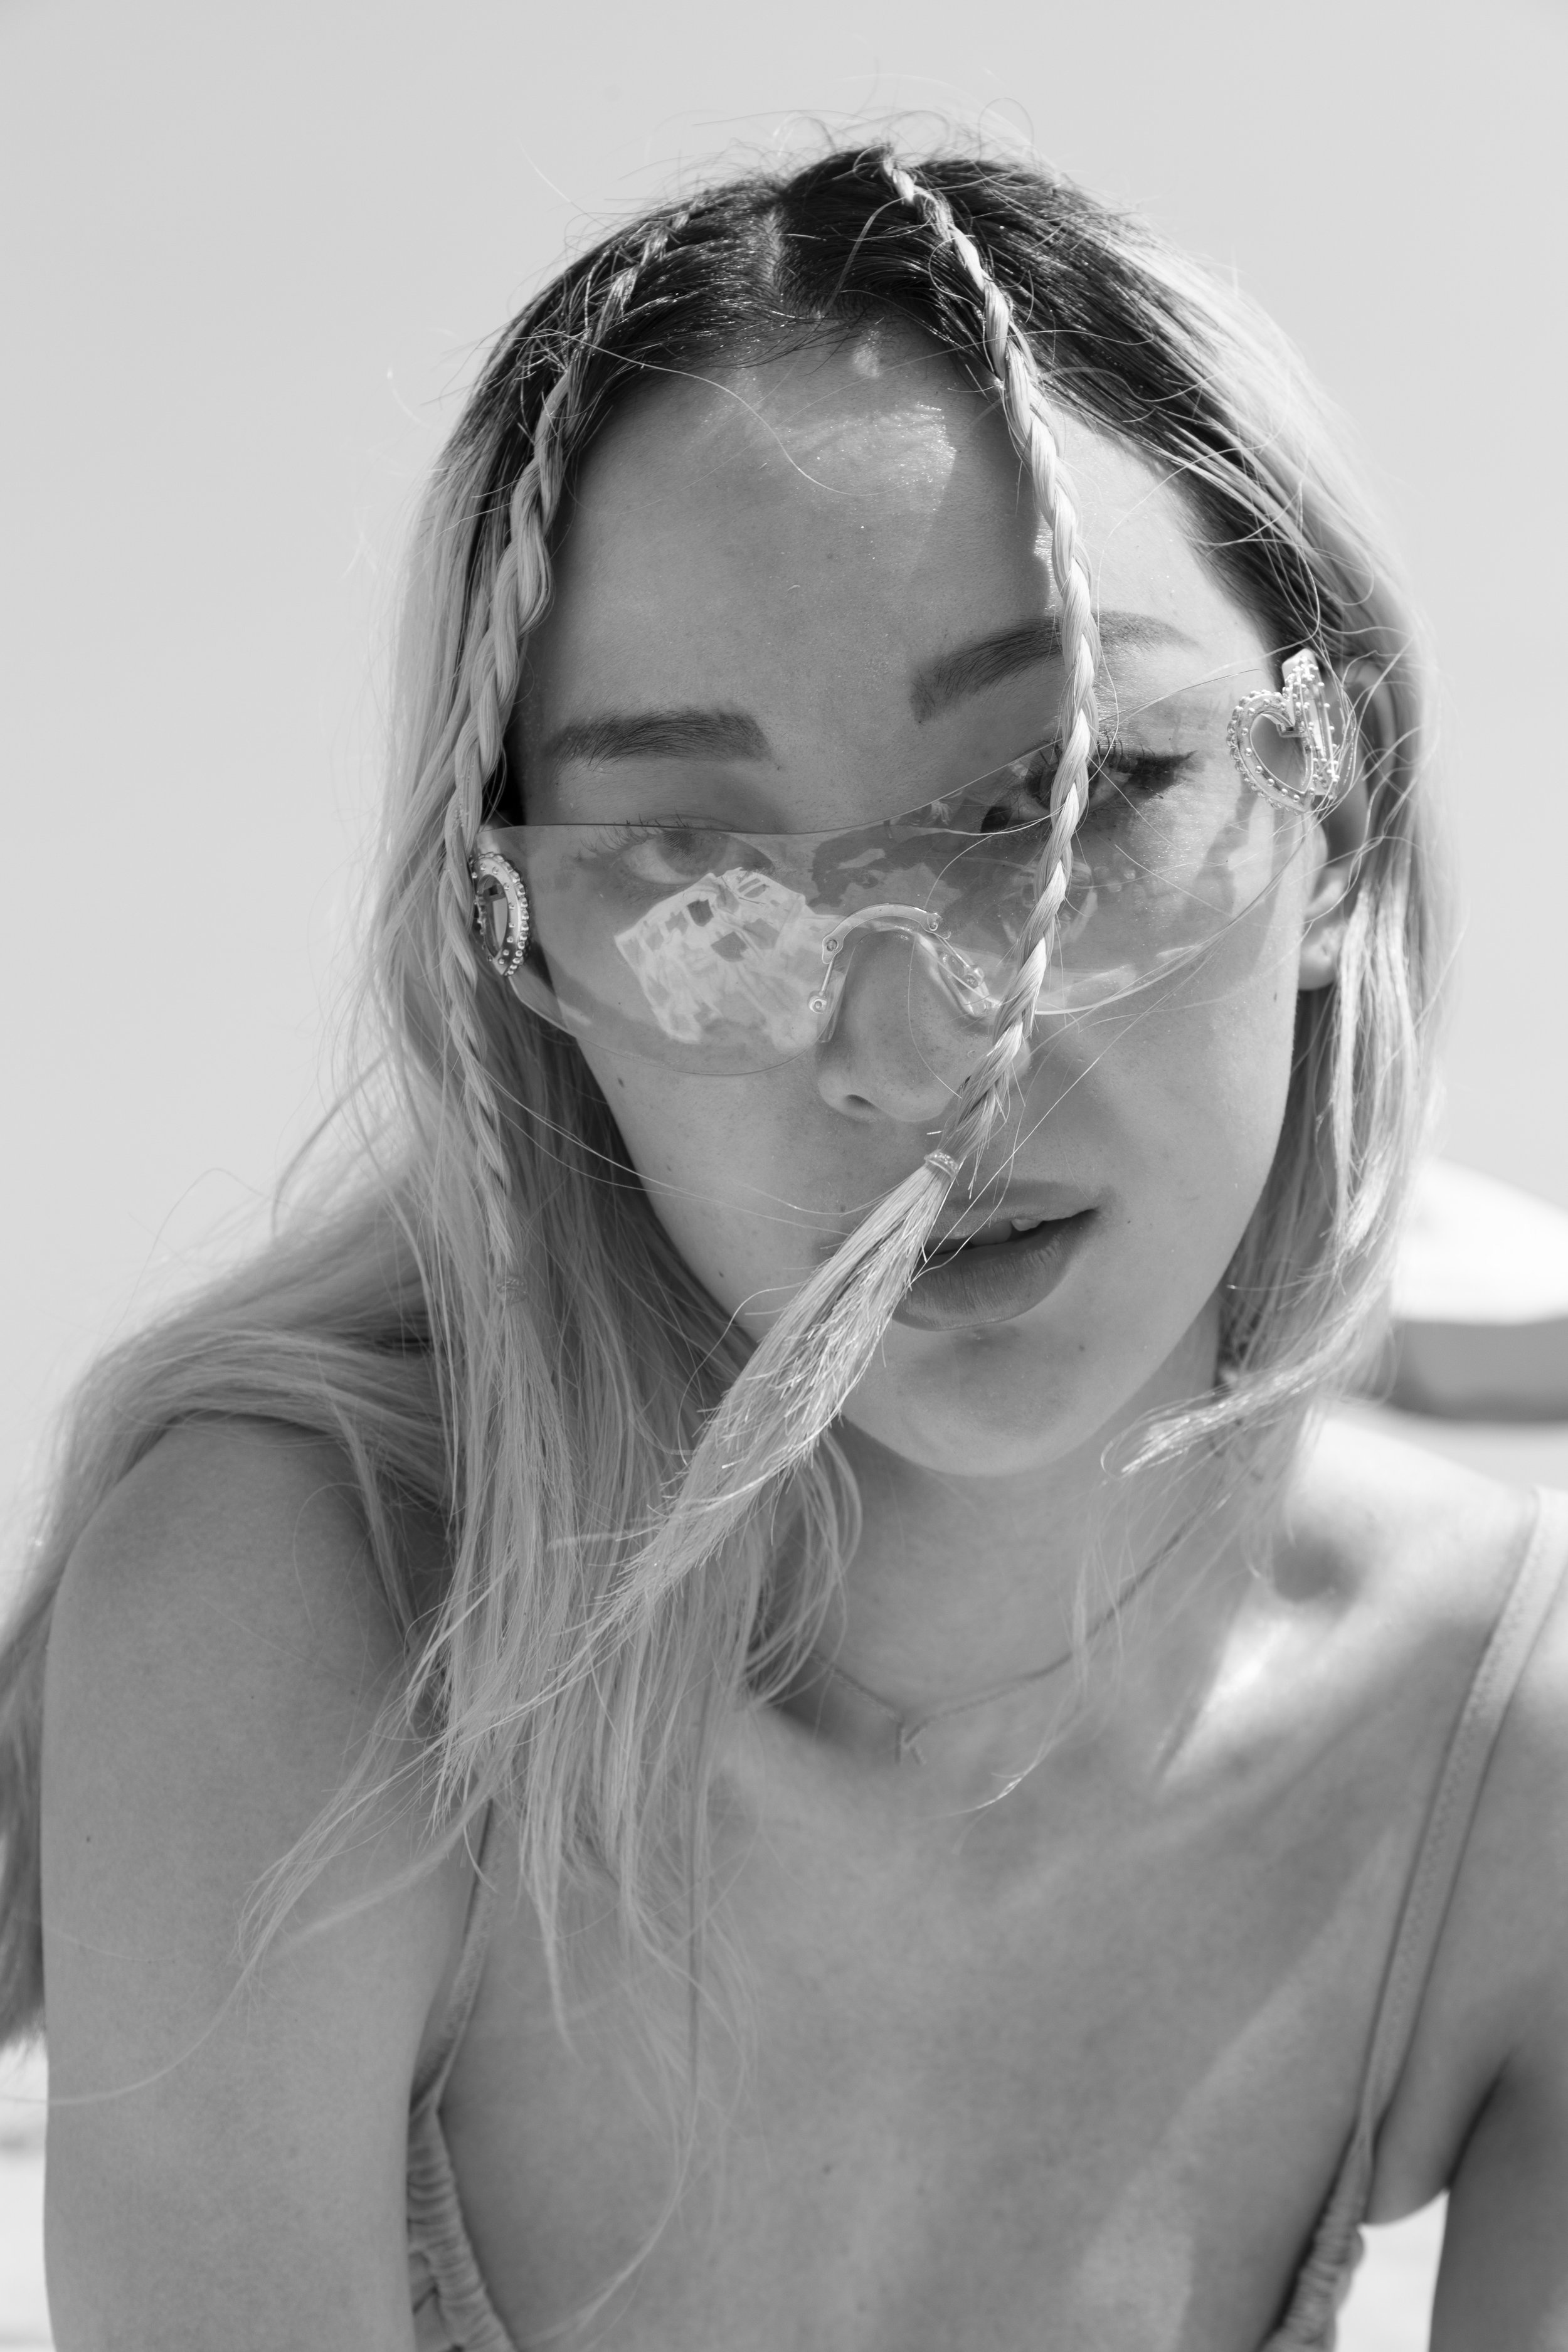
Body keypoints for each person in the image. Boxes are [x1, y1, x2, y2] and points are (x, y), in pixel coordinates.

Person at [3, 144, 1564, 2351]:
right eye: (694, 874)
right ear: (522, 962)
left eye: (1059, 798)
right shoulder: (310, 1625)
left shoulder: (1503, 1767)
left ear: (1344, 810)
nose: (910, 1049)